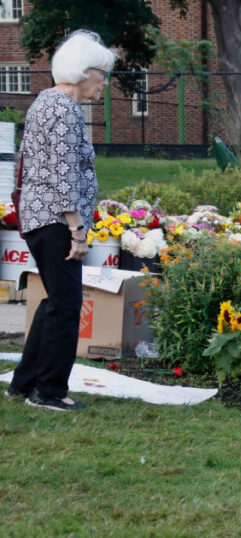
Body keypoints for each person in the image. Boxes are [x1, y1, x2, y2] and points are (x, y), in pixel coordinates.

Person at [5, 30, 116, 411]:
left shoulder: (45, 101)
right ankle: (49, 391)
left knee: (55, 299)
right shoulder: (64, 109)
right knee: (67, 305)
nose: (104, 82)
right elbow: (64, 174)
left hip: (40, 216)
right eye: (102, 73)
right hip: (56, 220)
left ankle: (24, 383)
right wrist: (77, 230)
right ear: (84, 71)